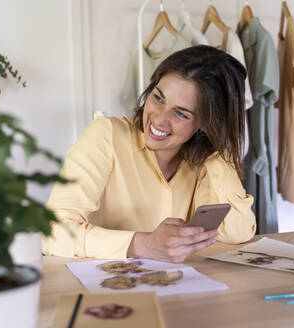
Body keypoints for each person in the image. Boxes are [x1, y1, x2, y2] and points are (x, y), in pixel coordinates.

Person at [42, 46, 256, 263]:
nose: (159, 119)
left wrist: (218, 149)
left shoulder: (206, 164)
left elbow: (237, 233)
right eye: (158, 98)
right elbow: (52, 231)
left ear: (205, 124)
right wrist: (143, 244)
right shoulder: (106, 135)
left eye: (180, 113)